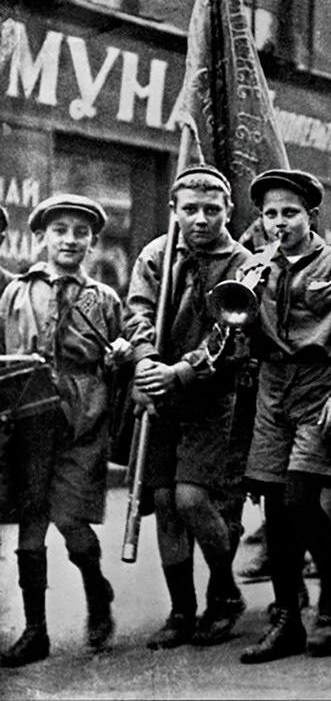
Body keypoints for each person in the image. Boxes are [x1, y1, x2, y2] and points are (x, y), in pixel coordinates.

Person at [239, 169, 331, 664]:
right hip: (272, 390)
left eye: (289, 213)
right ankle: (288, 619)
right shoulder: (257, 266)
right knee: (274, 507)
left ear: (311, 216)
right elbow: (239, 335)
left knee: (298, 498)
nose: (279, 223)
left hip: (320, 387)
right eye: (270, 214)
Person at [0, 194, 130, 666]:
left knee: (72, 523)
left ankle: (97, 591)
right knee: (29, 527)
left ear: (93, 242)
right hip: (29, 420)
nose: (70, 240)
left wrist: (121, 357)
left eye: (80, 232)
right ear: (41, 238)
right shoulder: (16, 293)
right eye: (60, 231)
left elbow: (123, 359)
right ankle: (36, 631)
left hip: (82, 422)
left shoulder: (104, 298)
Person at [125, 165, 252, 650]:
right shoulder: (156, 254)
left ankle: (224, 593)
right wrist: (145, 360)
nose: (200, 219)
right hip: (160, 396)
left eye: (211, 210)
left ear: (228, 211)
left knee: (192, 499)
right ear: (174, 210)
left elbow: (232, 335)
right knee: (162, 502)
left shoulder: (242, 263)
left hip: (212, 397)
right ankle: (182, 610)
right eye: (190, 209)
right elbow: (137, 312)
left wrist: (180, 370)